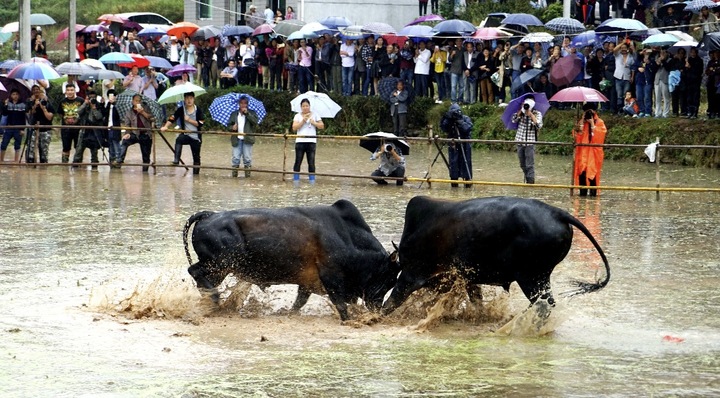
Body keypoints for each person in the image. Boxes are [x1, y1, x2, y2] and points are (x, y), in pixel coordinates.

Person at [161, 92, 204, 175]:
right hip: (186, 135)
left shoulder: (198, 110)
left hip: (196, 136)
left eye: (191, 98)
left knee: (196, 158)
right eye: (187, 98)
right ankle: (176, 160)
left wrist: (189, 120)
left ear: (193, 99)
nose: (189, 100)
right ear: (184, 99)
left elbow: (201, 123)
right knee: (179, 139)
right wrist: (166, 126)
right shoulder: (181, 109)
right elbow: (172, 118)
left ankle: (196, 176)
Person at [573, 106, 607, 196]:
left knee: (593, 173)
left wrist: (592, 125)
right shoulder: (582, 122)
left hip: (594, 154)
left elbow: (599, 138)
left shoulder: (599, 122)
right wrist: (581, 124)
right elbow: (576, 137)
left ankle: (593, 195)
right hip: (582, 153)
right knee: (582, 173)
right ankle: (582, 195)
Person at [291, 98, 324, 184]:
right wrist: (303, 120)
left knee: (311, 162)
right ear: (301, 107)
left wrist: (314, 123)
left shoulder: (315, 115)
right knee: (298, 161)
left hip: (311, 141)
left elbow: (321, 126)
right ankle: (296, 180)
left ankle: (312, 181)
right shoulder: (297, 116)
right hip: (300, 141)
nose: (305, 107)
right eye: (303, 106)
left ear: (309, 106)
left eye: (307, 106)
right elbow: (294, 128)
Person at [440, 104, 473, 188]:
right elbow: (444, 128)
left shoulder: (465, 118)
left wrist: (459, 120)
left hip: (464, 145)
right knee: (453, 163)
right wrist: (446, 118)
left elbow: (467, 128)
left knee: (465, 164)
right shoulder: (449, 120)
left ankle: (467, 182)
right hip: (453, 145)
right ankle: (454, 184)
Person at [119, 94, 154, 172]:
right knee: (125, 141)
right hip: (135, 133)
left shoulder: (146, 108)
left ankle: (145, 172)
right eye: (136, 101)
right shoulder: (129, 112)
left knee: (146, 156)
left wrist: (142, 112)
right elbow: (127, 125)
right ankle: (120, 159)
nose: (138, 102)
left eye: (139, 101)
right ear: (132, 101)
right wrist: (127, 133)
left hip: (145, 134)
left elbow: (152, 118)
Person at [511, 97, 543, 184]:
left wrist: (531, 115)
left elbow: (539, 126)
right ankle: (528, 178)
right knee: (522, 164)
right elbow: (513, 120)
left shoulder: (537, 113)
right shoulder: (521, 112)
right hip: (519, 141)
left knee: (529, 164)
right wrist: (521, 111)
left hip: (530, 142)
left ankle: (530, 182)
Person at [72, 96, 107, 169]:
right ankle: (75, 166)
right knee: (79, 150)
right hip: (84, 131)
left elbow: (99, 117)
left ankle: (94, 168)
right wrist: (85, 103)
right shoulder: (85, 107)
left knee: (94, 151)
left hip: (94, 132)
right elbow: (78, 112)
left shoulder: (98, 107)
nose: (92, 101)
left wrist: (94, 108)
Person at [228, 95, 258, 178]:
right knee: (235, 158)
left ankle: (247, 176)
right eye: (241, 103)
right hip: (236, 139)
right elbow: (228, 126)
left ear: (247, 104)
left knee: (247, 159)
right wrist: (232, 128)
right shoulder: (234, 114)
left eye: (245, 103)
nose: (243, 105)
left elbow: (255, 122)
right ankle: (234, 177)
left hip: (247, 139)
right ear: (239, 104)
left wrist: (247, 113)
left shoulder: (252, 113)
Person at [57, 85, 88, 163]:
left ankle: (78, 164)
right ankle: (64, 165)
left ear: (75, 91)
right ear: (65, 91)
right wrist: (65, 119)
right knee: (66, 147)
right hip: (66, 128)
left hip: (78, 128)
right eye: (68, 90)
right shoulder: (62, 101)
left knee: (78, 147)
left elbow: (84, 113)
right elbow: (60, 113)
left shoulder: (81, 100)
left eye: (71, 90)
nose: (70, 92)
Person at [25, 84, 54, 164]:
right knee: (31, 147)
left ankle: (43, 163)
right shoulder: (29, 101)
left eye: (38, 90)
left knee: (44, 149)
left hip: (45, 128)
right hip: (33, 127)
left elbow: (50, 116)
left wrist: (43, 107)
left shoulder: (47, 101)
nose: (36, 91)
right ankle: (30, 162)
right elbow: (28, 113)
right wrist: (34, 105)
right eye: (34, 90)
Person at [1, 89, 28, 162]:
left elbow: (23, 118)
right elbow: (4, 113)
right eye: (13, 94)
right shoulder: (8, 104)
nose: (15, 96)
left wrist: (22, 129)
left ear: (19, 95)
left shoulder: (22, 105)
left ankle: (16, 162)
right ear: (11, 95)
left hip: (18, 128)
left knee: (17, 145)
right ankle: (1, 161)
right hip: (9, 127)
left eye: (16, 94)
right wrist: (5, 105)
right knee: (4, 144)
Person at [103, 89, 123, 168]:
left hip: (115, 127)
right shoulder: (107, 104)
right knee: (110, 144)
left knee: (116, 143)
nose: (111, 97)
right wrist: (103, 103)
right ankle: (112, 160)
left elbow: (120, 115)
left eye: (113, 96)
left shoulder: (118, 105)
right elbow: (104, 113)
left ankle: (118, 160)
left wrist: (114, 103)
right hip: (108, 127)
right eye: (110, 96)